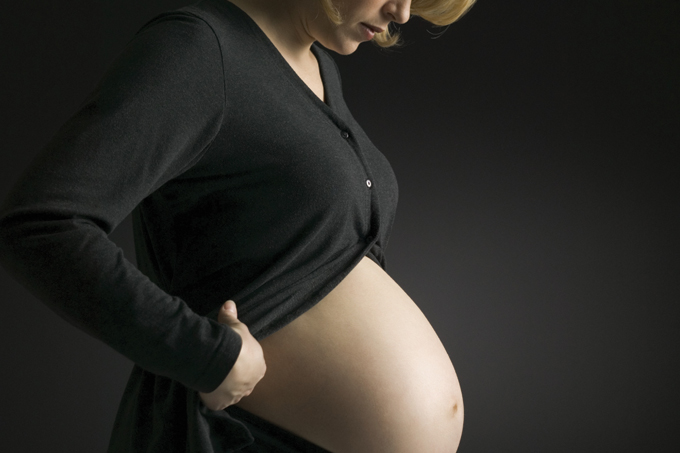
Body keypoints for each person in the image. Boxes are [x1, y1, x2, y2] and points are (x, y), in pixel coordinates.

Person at [0, 0, 476, 451]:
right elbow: (42, 221)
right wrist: (203, 354)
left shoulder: (317, 64)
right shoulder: (199, 49)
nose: (403, 12)